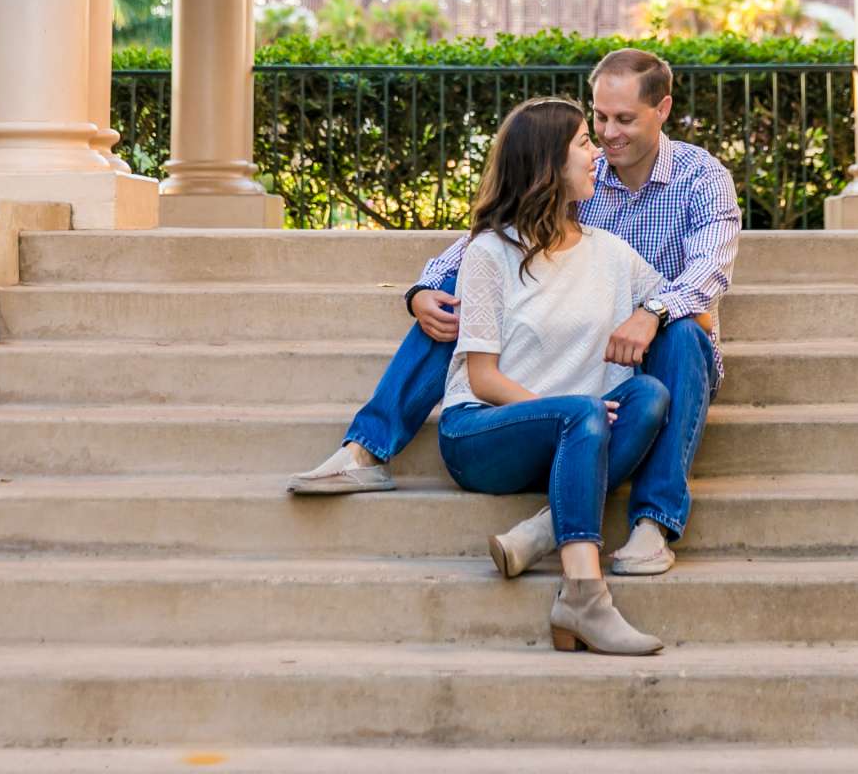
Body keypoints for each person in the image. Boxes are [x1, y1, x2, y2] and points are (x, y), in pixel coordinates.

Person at [290, 47, 739, 578]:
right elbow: (493, 240)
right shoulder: (579, 174)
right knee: (454, 294)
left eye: (624, 119)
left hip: (650, 349)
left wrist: (654, 311)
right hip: (560, 353)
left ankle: (653, 522)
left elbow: (708, 274)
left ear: (662, 110)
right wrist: (419, 292)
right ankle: (367, 448)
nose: (607, 135)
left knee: (684, 333)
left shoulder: (700, 177)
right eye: (598, 119)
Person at [428, 96, 671, 654]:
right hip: (482, 432)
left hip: (575, 433)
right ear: (546, 162)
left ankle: (542, 529)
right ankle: (585, 597)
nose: (598, 154)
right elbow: (483, 377)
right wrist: (563, 411)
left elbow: (690, 307)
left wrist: (650, 312)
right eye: (585, 142)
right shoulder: (490, 252)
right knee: (585, 411)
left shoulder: (610, 252)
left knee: (651, 394)